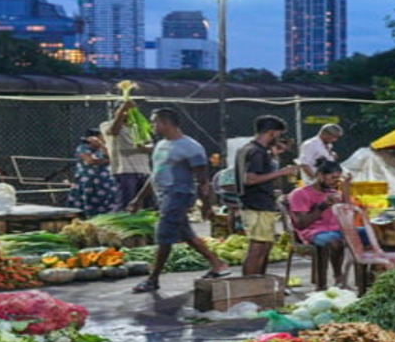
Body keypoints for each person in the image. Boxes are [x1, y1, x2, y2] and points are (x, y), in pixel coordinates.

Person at [128, 108, 230, 293]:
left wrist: (206, 204)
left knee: (164, 235)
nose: (152, 126)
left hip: (179, 195)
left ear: (166, 123)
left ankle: (153, 279)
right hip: (164, 195)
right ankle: (217, 264)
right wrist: (138, 199)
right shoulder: (161, 145)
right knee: (185, 234)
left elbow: (203, 180)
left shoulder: (191, 147)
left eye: (154, 122)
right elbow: (155, 174)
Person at [236, 116, 299, 276]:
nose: (279, 139)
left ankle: (260, 283)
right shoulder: (257, 152)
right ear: (271, 133)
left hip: (257, 203)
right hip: (257, 205)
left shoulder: (248, 149)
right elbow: (250, 179)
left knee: (265, 246)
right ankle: (250, 286)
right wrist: (281, 172)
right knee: (257, 247)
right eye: (278, 134)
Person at [287, 161, 352, 284]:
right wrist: (323, 206)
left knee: (371, 235)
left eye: (338, 179)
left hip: (336, 230)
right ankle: (337, 277)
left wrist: (346, 191)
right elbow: (301, 223)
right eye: (332, 178)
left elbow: (347, 214)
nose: (335, 182)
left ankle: (369, 279)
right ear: (320, 175)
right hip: (313, 232)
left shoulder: (333, 193)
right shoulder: (300, 194)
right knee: (335, 242)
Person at [101, 100, 152, 211]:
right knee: (126, 204)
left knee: (146, 205)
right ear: (115, 111)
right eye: (124, 111)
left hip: (144, 170)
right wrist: (122, 110)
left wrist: (143, 147)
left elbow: (149, 144)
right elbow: (114, 131)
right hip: (124, 170)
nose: (128, 113)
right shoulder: (107, 125)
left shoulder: (138, 127)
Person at [67, 129, 119, 218]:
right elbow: (90, 161)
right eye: (100, 137)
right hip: (88, 180)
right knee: (89, 199)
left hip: (104, 181)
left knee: (108, 199)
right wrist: (106, 161)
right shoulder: (82, 148)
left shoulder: (102, 148)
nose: (103, 139)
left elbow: (112, 158)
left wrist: (102, 146)